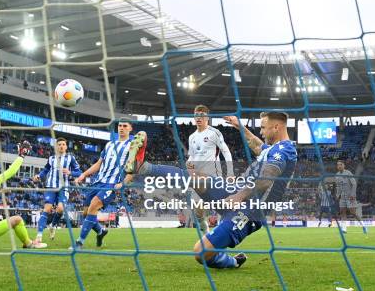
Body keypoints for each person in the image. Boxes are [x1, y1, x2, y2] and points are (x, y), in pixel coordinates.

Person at [125, 112, 297, 269]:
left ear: (277, 127)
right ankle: (144, 167)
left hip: (249, 210)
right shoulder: (274, 149)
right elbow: (257, 145)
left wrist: (238, 197)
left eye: (263, 128)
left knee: (201, 252)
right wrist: (239, 126)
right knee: (194, 177)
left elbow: (266, 179)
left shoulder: (286, 150)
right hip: (236, 189)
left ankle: (232, 261)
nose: (261, 132)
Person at [72, 119, 133, 249]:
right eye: (120, 126)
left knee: (94, 205)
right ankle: (101, 232)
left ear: (130, 129)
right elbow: (99, 164)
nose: (121, 128)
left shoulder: (132, 146)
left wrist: (123, 183)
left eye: (124, 126)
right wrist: (83, 174)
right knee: (86, 213)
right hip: (98, 181)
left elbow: (134, 168)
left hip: (111, 184)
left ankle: (79, 242)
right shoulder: (110, 144)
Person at [186, 105, 234, 232]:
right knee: (198, 209)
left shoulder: (214, 133)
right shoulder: (192, 137)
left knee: (220, 204)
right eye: (196, 114)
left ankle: (222, 230)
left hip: (213, 175)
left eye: (202, 115)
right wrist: (189, 163)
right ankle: (205, 229)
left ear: (207, 117)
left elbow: (226, 152)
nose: (199, 117)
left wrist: (230, 172)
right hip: (197, 177)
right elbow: (192, 156)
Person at [33, 137, 81, 242]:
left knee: (60, 209)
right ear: (56, 146)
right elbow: (45, 170)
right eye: (59, 144)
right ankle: (39, 236)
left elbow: (79, 172)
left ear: (66, 146)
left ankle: (53, 225)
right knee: (47, 208)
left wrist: (70, 173)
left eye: (63, 144)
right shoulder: (51, 158)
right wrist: (39, 176)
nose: (61, 146)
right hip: (51, 186)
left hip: (64, 188)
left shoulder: (70, 158)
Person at [334, 160, 366, 234]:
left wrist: (352, 194)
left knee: (353, 212)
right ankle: (344, 229)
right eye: (338, 165)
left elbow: (354, 184)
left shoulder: (348, 173)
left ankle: (363, 225)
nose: (339, 166)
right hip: (342, 197)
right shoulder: (337, 175)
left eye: (340, 164)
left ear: (344, 165)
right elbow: (338, 187)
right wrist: (337, 195)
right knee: (342, 212)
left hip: (350, 196)